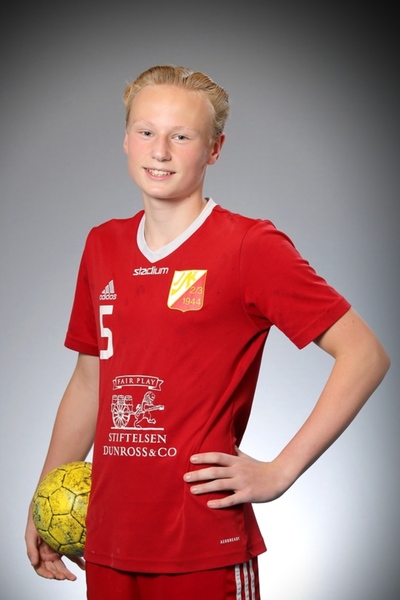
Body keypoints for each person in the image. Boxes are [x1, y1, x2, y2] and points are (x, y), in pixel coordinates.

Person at [25, 65, 390, 600]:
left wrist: (280, 471)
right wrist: (45, 498)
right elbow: (89, 380)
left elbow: (365, 354)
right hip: (108, 539)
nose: (160, 151)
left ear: (214, 149)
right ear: (125, 139)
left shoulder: (249, 246)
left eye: (182, 136)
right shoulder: (102, 245)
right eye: (146, 131)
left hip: (202, 543)